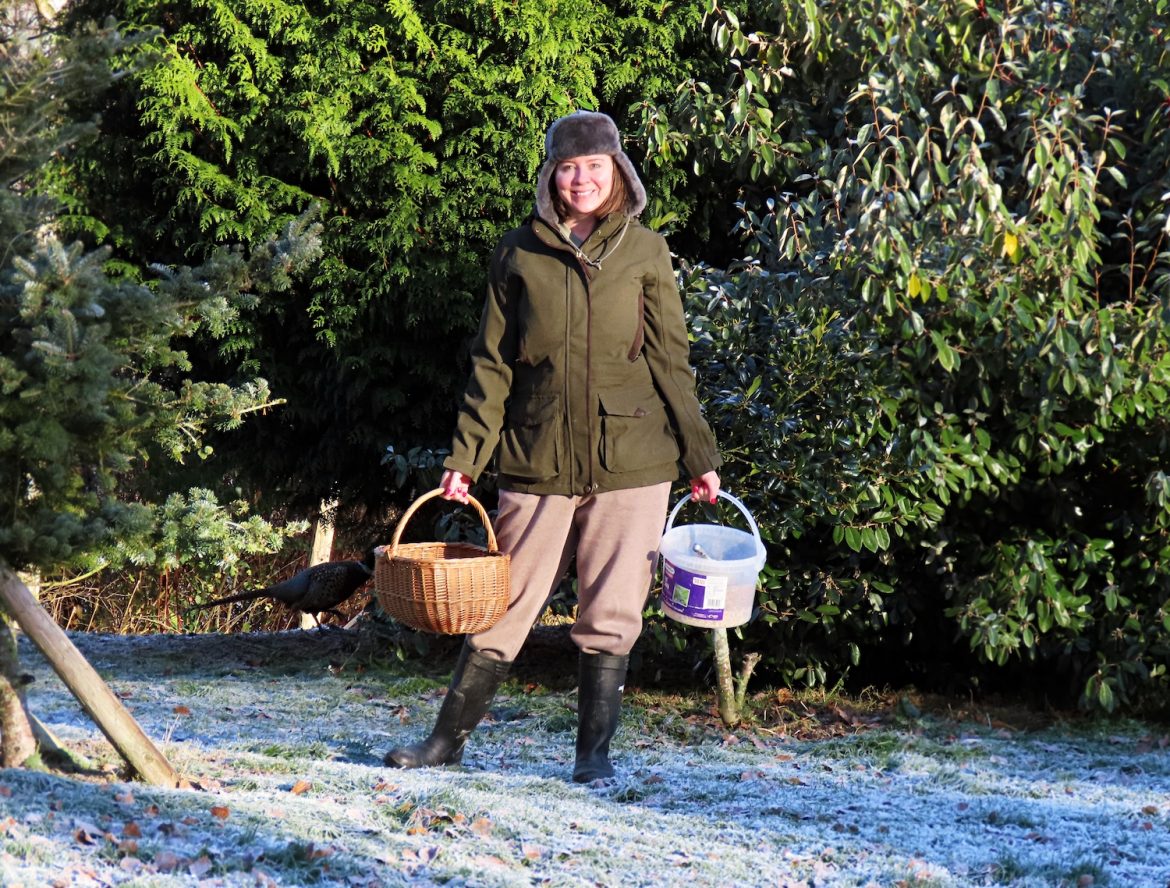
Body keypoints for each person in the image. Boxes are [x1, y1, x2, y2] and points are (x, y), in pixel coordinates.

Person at [384, 110, 721, 783]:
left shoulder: (646, 251)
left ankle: (593, 758)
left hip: (633, 460)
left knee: (614, 610)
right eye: (569, 168)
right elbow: (492, 365)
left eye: (595, 165)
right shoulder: (518, 252)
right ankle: (444, 743)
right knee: (502, 603)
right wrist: (465, 459)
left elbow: (671, 361)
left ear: (618, 170)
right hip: (536, 458)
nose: (582, 179)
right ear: (551, 177)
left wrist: (700, 457)